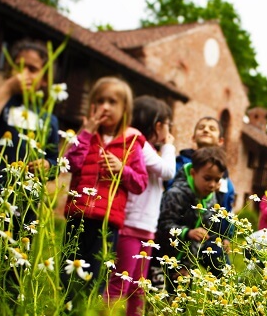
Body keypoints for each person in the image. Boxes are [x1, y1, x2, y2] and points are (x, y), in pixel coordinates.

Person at [63, 77, 148, 298]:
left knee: (95, 279)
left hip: (106, 222)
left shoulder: (132, 142)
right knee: (68, 276)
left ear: (125, 109)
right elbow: (69, 163)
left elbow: (140, 183)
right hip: (78, 216)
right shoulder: (86, 136)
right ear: (91, 104)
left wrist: (122, 170)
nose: (105, 107)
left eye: (112, 102)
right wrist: (85, 132)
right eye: (100, 101)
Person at [0, 38, 59, 239]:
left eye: (32, 69)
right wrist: (7, 89)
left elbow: (54, 161)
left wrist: (47, 164)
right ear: (10, 71)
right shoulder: (1, 102)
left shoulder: (48, 118)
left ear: (44, 79)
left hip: (26, 199)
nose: (24, 74)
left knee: (15, 258)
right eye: (18, 67)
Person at [104, 95, 175, 315]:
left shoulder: (148, 150)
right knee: (120, 283)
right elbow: (168, 171)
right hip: (130, 226)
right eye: (168, 125)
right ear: (159, 125)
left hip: (146, 228)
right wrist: (170, 146)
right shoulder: (139, 145)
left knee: (138, 287)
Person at [154, 146, 230, 294]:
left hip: (186, 265)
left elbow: (201, 237)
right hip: (162, 259)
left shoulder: (211, 199)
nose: (212, 185)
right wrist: (187, 232)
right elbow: (162, 225)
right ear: (194, 173)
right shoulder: (176, 194)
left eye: (217, 180)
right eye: (207, 178)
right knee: (157, 301)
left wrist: (187, 267)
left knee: (180, 303)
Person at [166, 116, 235, 215]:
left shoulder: (226, 181)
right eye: (201, 128)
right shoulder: (179, 164)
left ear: (221, 141)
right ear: (193, 138)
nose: (206, 130)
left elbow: (225, 212)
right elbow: (170, 191)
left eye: (212, 129)